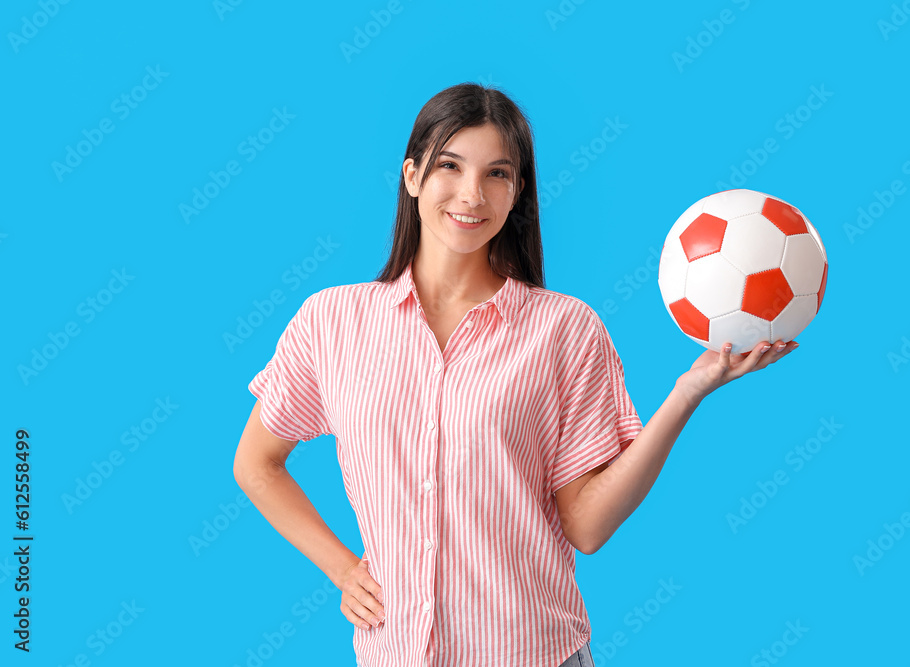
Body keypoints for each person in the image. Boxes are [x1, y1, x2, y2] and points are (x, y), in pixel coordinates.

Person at [232, 82, 797, 667]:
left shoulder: (564, 330)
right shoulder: (332, 321)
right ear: (411, 176)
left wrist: (687, 393)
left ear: (516, 192)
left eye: (497, 174)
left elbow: (588, 526)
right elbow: (255, 463)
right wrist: (343, 569)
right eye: (449, 166)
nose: (471, 194)